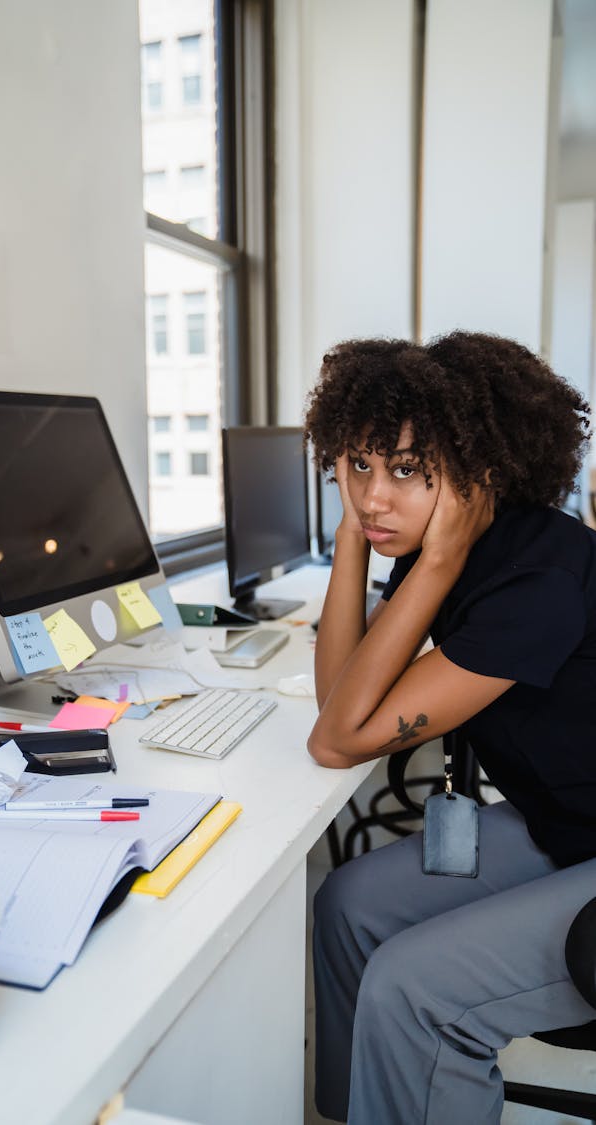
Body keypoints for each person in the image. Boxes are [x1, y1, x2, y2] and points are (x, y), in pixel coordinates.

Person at [303, 331, 596, 1124]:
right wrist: (349, 548)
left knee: (413, 986)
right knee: (348, 902)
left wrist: (428, 568)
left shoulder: (536, 580)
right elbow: (343, 701)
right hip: (565, 823)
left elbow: (336, 740)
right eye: (357, 464)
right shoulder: (452, 545)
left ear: (480, 471)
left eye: (405, 469)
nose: (373, 496)